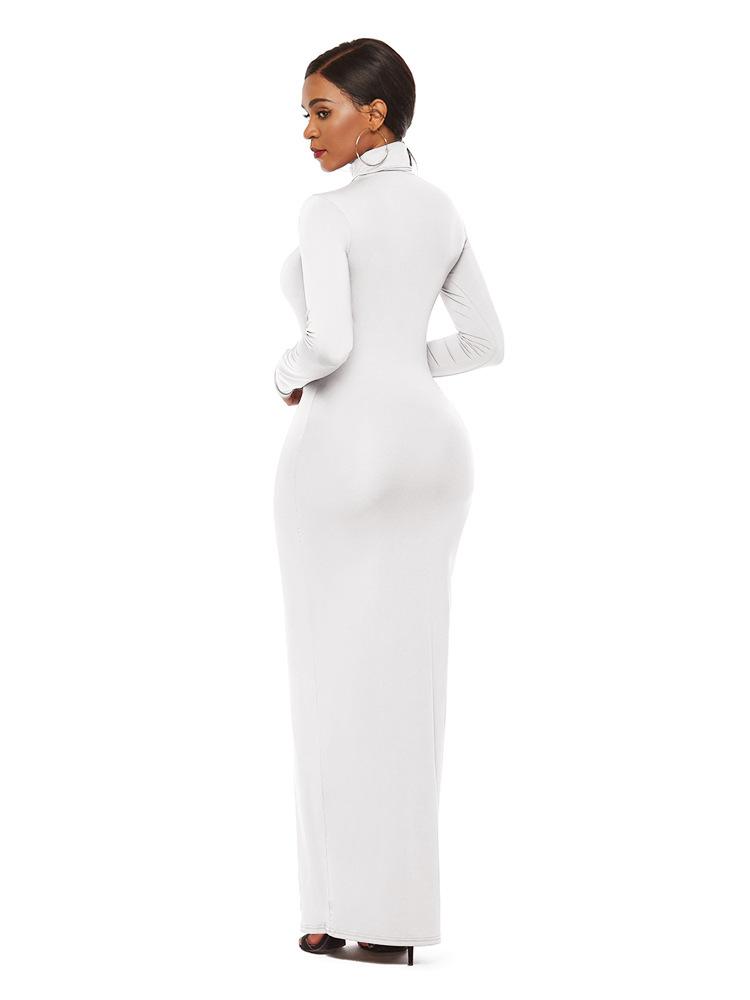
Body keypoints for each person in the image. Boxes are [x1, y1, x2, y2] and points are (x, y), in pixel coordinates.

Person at [273, 38, 504, 966]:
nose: (307, 130)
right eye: (304, 113)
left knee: (330, 679)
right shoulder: (440, 207)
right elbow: (484, 342)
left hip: (344, 454)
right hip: (434, 453)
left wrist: (285, 373)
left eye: (321, 110)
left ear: (375, 115)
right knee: (410, 683)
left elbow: (328, 344)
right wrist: (406, 366)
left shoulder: (327, 213)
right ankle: (386, 921)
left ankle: (337, 908)